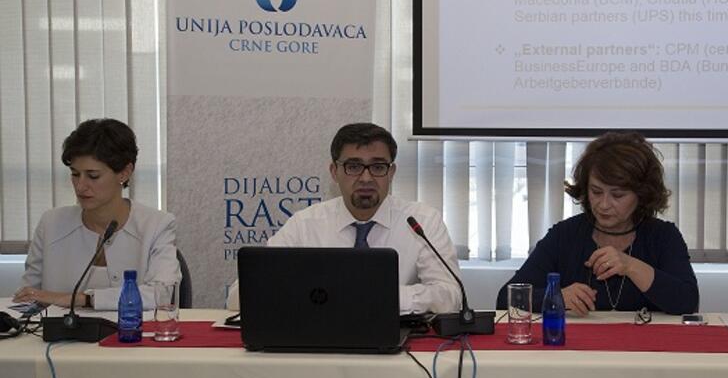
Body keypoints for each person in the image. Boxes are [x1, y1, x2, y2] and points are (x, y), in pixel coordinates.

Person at [226, 123, 462, 314]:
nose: (366, 178)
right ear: (334, 172)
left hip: (393, 339)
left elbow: (451, 296)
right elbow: (238, 296)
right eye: (354, 166)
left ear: (391, 173)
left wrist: (380, 295)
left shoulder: (421, 221)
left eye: (378, 167)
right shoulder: (305, 224)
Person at [497, 131, 699, 316]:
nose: (603, 204)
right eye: (596, 191)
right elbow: (505, 299)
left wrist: (630, 266)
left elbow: (688, 303)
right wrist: (554, 298)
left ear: (642, 194)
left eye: (617, 195)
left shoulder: (663, 236)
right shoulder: (565, 235)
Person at [14, 119, 181, 310]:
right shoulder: (51, 223)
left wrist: (84, 299)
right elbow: (27, 297)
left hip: (132, 329)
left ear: (124, 172)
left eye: (93, 176)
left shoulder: (157, 225)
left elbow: (162, 295)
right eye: (75, 174)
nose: (80, 186)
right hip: (60, 330)